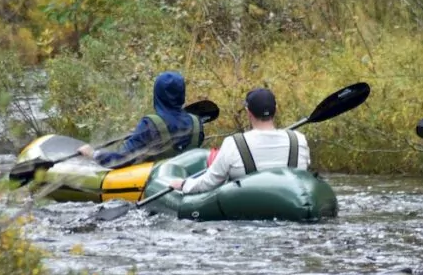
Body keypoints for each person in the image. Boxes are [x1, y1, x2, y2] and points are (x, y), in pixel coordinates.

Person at [170, 88, 310, 195]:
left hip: (245, 216)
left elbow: (209, 182)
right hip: (291, 207)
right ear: (276, 110)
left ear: (249, 113)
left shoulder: (234, 143)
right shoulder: (298, 139)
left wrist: (184, 184)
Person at [78, 71, 204, 167]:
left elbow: (124, 158)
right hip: (186, 176)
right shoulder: (197, 122)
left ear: (157, 94)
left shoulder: (150, 124)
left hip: (154, 184)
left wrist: (94, 154)